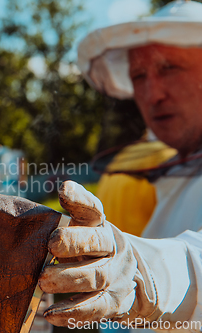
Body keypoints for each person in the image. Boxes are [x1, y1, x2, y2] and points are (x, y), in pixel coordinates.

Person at [38, 1, 202, 331]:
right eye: (139, 76)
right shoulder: (175, 170)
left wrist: (141, 273)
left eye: (170, 68)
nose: (152, 93)